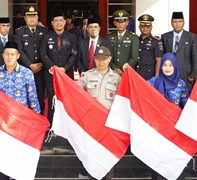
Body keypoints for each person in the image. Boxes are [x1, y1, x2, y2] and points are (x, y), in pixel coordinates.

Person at [0, 41, 41, 180]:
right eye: (7, 54)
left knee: (19, 150)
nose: (9, 57)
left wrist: (37, 119)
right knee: (3, 151)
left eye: (12, 54)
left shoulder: (27, 73)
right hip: (2, 121)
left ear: (18, 56)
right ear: (3, 55)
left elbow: (33, 97)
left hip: (20, 120)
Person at [77, 46, 120, 180]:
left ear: (110, 59)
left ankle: (108, 177)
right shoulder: (87, 75)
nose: (101, 62)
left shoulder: (117, 77)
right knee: (92, 154)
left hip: (109, 123)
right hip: (93, 123)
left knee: (108, 154)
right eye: (98, 59)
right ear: (94, 59)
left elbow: (123, 99)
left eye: (104, 59)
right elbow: (74, 91)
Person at [147, 52, 188, 180]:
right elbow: (140, 91)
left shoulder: (181, 84)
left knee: (174, 158)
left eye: (170, 65)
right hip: (158, 128)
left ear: (175, 66)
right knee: (158, 158)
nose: (167, 68)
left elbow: (186, 104)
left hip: (175, 128)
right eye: (164, 65)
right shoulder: (154, 81)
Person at [40, 11, 78, 124]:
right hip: (51, 74)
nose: (58, 23)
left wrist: (64, 68)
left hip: (66, 75)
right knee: (52, 99)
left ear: (65, 22)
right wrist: (53, 67)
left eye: (61, 20)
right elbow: (43, 54)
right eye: (56, 21)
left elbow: (74, 55)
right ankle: (52, 123)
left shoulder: (72, 37)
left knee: (66, 99)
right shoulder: (46, 37)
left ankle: (66, 124)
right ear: (52, 23)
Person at [15, 5, 48, 115]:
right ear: (25, 18)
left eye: (34, 16)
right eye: (29, 16)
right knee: (24, 96)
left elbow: (47, 50)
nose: (32, 19)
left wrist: (40, 64)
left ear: (38, 17)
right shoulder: (19, 32)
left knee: (39, 96)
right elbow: (19, 50)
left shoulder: (45, 31)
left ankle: (40, 120)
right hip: (25, 70)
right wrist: (30, 65)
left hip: (41, 69)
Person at [161, 12, 197, 91]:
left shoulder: (191, 37)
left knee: (184, 99)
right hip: (169, 74)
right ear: (171, 23)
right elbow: (162, 56)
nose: (177, 24)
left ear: (184, 22)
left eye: (180, 21)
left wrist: (194, 75)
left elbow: (196, 57)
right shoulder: (165, 37)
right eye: (175, 22)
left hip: (186, 75)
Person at [107, 10, 139, 76]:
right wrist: (114, 68)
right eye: (118, 22)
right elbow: (108, 55)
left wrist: (123, 68)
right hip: (112, 72)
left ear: (127, 23)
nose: (120, 24)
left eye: (123, 21)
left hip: (128, 71)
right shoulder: (109, 37)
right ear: (114, 23)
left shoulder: (133, 37)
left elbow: (134, 57)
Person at [136, 14, 163, 80]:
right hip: (136, 73)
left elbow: (159, 60)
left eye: (148, 26)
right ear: (139, 27)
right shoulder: (136, 40)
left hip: (149, 74)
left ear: (151, 27)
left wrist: (156, 77)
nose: (145, 28)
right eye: (143, 26)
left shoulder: (156, 41)